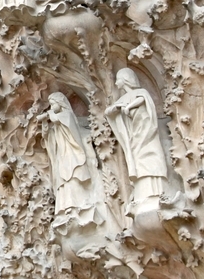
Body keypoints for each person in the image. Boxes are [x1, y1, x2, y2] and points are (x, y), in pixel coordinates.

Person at [105, 69, 168, 207]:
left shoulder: (141, 92)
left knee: (151, 158)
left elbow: (142, 99)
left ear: (125, 80)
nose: (116, 83)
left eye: (118, 79)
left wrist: (129, 106)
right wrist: (117, 108)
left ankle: (158, 192)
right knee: (138, 162)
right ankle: (142, 193)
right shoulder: (123, 98)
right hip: (134, 136)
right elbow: (108, 111)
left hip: (146, 132)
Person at [40, 93, 97, 224]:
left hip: (72, 154)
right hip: (62, 155)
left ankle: (80, 206)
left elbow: (58, 119)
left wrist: (48, 115)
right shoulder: (56, 122)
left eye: (53, 104)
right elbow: (48, 136)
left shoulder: (67, 115)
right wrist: (44, 124)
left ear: (60, 103)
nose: (51, 107)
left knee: (73, 178)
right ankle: (66, 209)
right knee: (63, 182)